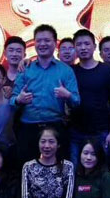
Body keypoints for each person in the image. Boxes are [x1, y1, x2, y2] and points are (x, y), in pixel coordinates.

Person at [11, 24, 80, 164]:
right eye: (38, 40)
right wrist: (19, 99)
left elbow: (77, 101)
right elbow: (11, 101)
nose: (42, 44)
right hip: (28, 128)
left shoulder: (66, 70)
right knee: (27, 169)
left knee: (58, 170)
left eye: (47, 40)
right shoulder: (25, 68)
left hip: (56, 127)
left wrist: (67, 95)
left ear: (55, 43)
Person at [70, 29, 110, 162]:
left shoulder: (107, 70)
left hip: (101, 131)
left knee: (102, 168)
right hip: (76, 132)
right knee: (75, 168)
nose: (83, 48)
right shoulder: (71, 71)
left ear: (94, 46)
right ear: (74, 48)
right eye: (79, 44)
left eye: (87, 44)